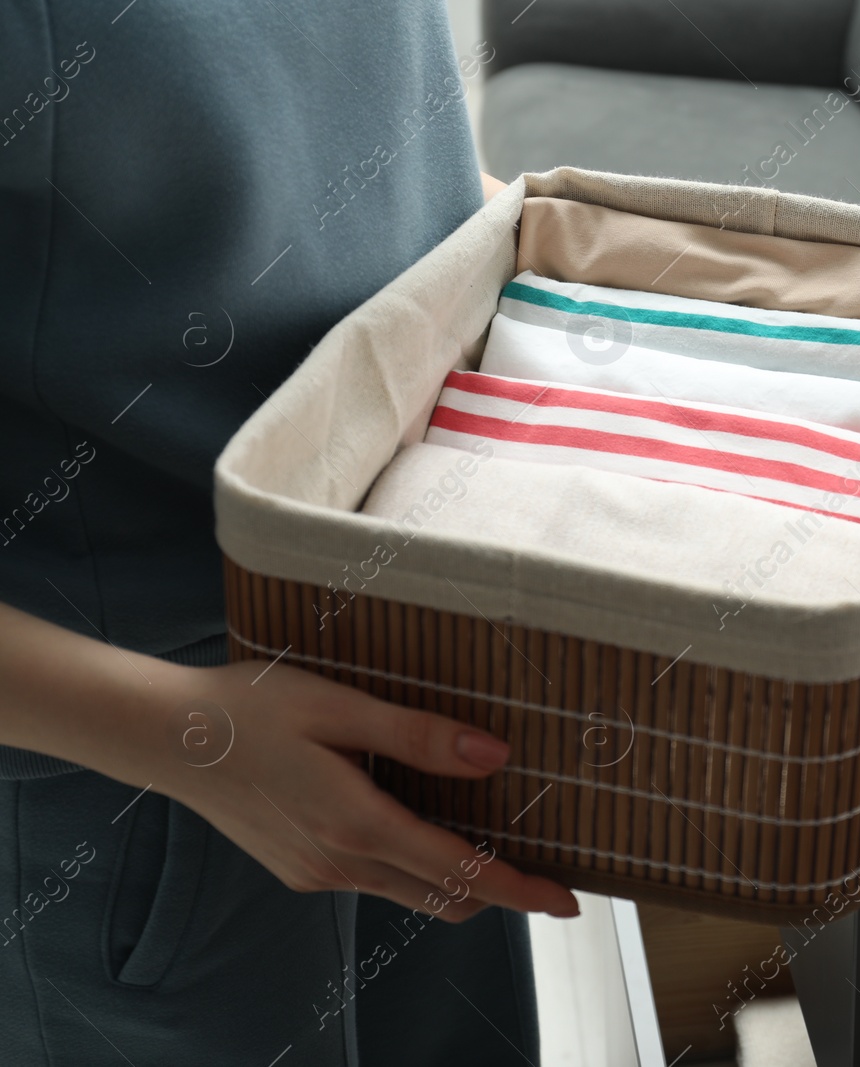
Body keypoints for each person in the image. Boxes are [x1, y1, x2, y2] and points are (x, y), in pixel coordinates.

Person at [0, 3, 576, 1063]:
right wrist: (191, 738)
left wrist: (524, 238)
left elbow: (354, 128)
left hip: (418, 648)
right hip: (156, 785)